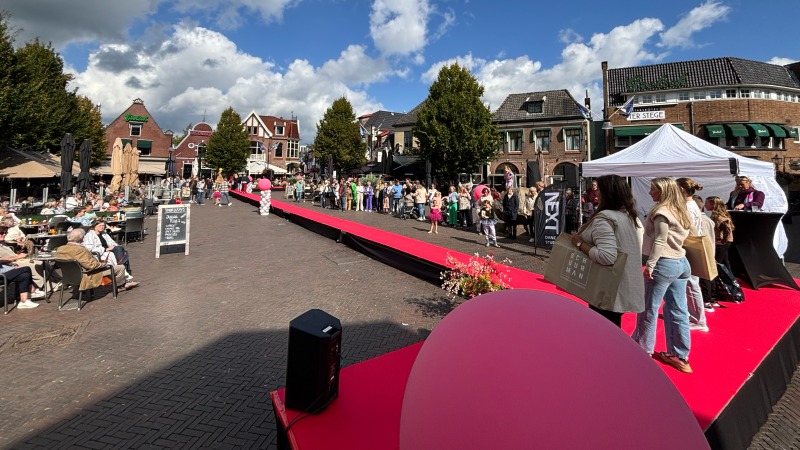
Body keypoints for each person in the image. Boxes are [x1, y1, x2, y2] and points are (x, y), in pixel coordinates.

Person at [631, 177, 694, 374]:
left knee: (648, 309)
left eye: (653, 189)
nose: (650, 192)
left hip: (664, 263)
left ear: (663, 191)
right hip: (681, 261)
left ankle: (642, 350)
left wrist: (650, 265)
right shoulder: (681, 210)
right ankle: (680, 354)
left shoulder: (662, 212)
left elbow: (660, 240)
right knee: (678, 309)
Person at [570, 175, 644, 327]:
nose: (595, 193)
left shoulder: (605, 219)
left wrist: (580, 243)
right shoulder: (629, 216)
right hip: (623, 284)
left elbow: (606, 256)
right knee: (612, 328)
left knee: (603, 329)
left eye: (599, 190)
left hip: (607, 288)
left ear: (607, 193)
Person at [676, 177, 709, 331]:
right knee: (691, 283)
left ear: (681, 189)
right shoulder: (691, 204)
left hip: (689, 246)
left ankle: (698, 319)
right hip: (691, 245)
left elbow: (688, 229)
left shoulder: (688, 206)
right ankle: (696, 317)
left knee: (691, 283)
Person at [56, 228, 136, 292]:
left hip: (68, 276)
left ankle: (114, 284)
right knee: (120, 267)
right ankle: (118, 286)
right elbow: (91, 266)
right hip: (86, 275)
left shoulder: (60, 249)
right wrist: (103, 264)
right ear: (81, 238)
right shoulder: (80, 250)